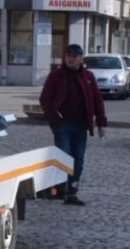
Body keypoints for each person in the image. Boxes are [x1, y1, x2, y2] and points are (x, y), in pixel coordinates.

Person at [39, 44, 107, 206]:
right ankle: (57, 188)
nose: (71, 59)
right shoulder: (56, 76)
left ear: (81, 59)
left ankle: (72, 193)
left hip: (81, 125)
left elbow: (97, 100)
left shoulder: (88, 76)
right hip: (62, 125)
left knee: (78, 160)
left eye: (74, 56)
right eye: (68, 55)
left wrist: (101, 122)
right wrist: (54, 119)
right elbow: (45, 99)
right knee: (64, 155)